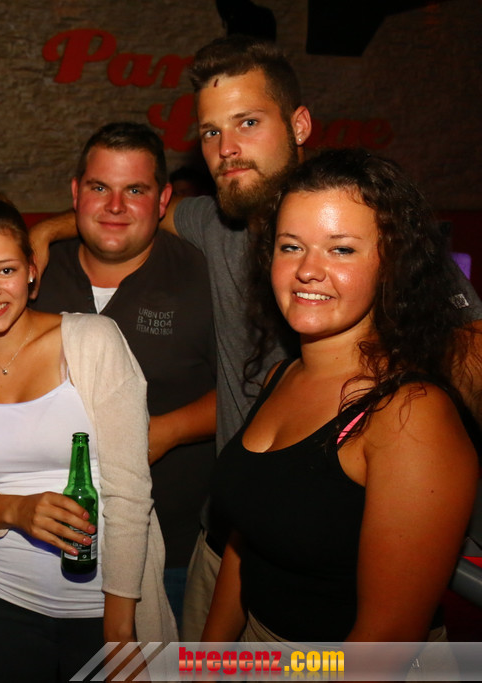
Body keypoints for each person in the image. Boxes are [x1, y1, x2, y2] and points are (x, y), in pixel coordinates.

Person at [29, 35, 482, 640]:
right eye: (210, 132)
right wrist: (47, 230)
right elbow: (131, 213)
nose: (227, 148)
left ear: (299, 124)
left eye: (247, 122)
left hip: (333, 579)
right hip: (232, 540)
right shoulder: (217, 225)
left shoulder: (374, 224)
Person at [203, 149, 478, 653]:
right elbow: (247, 541)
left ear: (392, 264)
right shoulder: (282, 376)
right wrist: (207, 664)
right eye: (291, 246)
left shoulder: (410, 415)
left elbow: (386, 642)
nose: (308, 270)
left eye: (342, 249)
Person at [0, 196, 176, 682]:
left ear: (32, 272)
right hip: (3, 606)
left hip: (102, 608)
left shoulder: (93, 341)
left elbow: (130, 489)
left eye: (6, 270)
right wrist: (13, 510)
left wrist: (119, 627)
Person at [32, 122, 216, 623]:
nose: (115, 206)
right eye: (100, 188)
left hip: (171, 550)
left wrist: (167, 431)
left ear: (163, 200)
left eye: (135, 190)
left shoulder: (203, 276)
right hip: (43, 546)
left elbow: (254, 389)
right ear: (76, 193)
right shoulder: (34, 272)